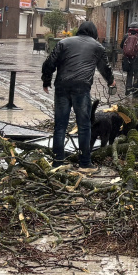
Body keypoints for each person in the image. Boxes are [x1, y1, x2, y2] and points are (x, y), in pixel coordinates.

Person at [41, 21, 115, 167]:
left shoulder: (64, 42)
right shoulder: (97, 47)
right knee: (84, 126)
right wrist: (111, 81)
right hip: (82, 88)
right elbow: (105, 68)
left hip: (62, 86)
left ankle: (57, 162)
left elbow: (49, 63)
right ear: (94, 33)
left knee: (60, 126)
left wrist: (46, 81)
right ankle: (85, 162)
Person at [120, 21, 138, 100]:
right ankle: (135, 93)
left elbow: (121, 45)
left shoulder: (126, 35)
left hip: (128, 59)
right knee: (137, 75)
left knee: (129, 75)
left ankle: (127, 91)